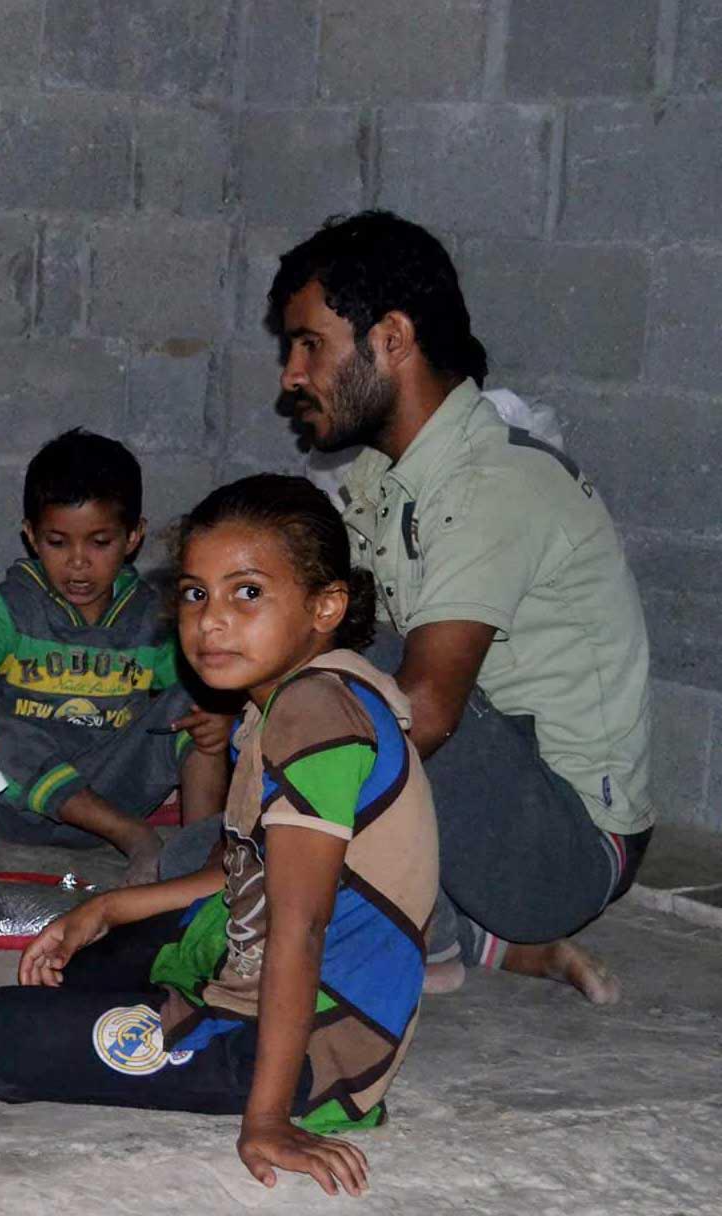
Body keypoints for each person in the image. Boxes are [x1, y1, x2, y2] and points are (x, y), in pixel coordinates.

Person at [163, 210, 646, 1002]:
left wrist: (263, 825)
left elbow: (422, 712)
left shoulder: (490, 486)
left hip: (562, 849)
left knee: (347, 670)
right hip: (481, 818)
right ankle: (469, 933)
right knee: (191, 862)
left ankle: (435, 933)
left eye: (309, 343)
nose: (291, 374)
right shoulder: (386, 478)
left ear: (390, 338)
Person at [0, 475, 438, 1198]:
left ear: (325, 606)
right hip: (261, 957)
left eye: (247, 593)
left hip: (319, 1041)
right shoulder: (300, 694)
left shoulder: (315, 716)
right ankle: (161, 988)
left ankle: (261, 1075)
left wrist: (267, 1117)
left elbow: (300, 929)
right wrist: (109, 908)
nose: (212, 622)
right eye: (194, 594)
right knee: (88, 960)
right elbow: (248, 872)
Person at [0, 430, 229, 882]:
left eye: (99, 543)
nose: (78, 562)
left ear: (133, 536)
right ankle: (135, 838)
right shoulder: (13, 606)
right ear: (31, 537)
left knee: (199, 707)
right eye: (57, 543)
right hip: (11, 802)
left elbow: (198, 688)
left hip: (114, 786)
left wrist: (219, 720)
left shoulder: (150, 615)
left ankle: (200, 859)